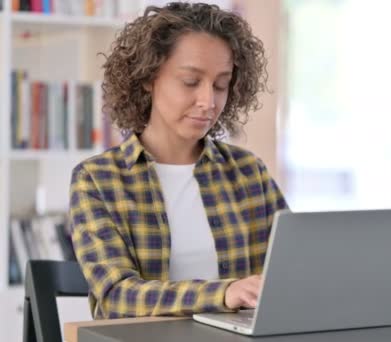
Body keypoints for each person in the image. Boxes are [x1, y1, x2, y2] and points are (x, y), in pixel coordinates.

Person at [69, 2, 288, 319]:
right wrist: (224, 293)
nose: (208, 102)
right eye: (190, 81)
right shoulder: (98, 180)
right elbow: (117, 296)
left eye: (220, 84)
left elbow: (294, 272)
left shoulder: (248, 173)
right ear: (148, 77)